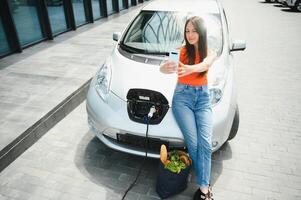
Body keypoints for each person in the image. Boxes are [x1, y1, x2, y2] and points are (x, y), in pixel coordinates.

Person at [160, 16, 217, 200]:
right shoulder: (180, 51)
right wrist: (165, 69)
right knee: (193, 143)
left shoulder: (210, 51)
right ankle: (204, 189)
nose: (190, 35)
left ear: (201, 32)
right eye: (187, 31)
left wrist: (190, 69)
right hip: (182, 98)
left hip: (202, 98)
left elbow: (206, 64)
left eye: (194, 31)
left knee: (206, 144)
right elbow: (164, 66)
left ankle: (203, 184)